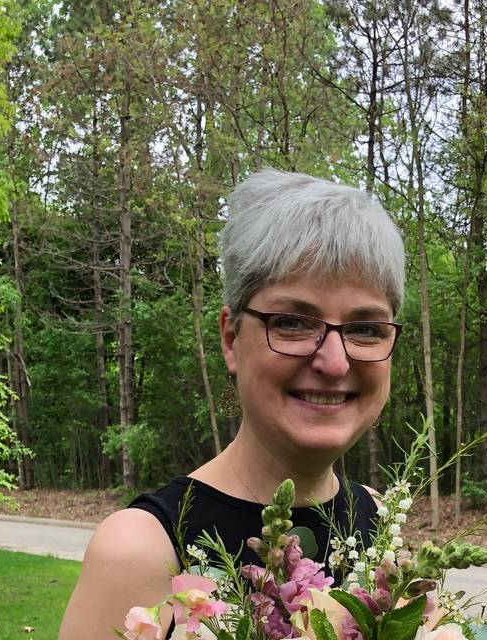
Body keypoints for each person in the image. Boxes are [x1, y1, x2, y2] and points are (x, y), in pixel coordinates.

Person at [58, 169, 406, 639]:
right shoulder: (140, 549)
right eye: (292, 322)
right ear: (229, 338)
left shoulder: (380, 521)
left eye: (365, 329)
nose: (333, 362)